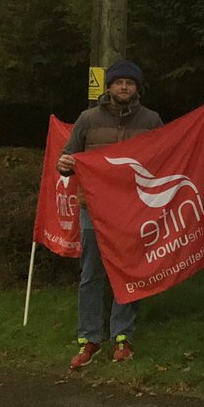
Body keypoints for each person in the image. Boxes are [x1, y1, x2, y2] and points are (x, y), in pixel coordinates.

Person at [57, 60, 163, 368]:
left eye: (130, 83)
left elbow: (166, 156)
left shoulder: (152, 120)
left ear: (137, 88)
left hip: (133, 211)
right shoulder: (88, 119)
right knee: (92, 273)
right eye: (119, 83)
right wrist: (64, 165)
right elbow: (67, 155)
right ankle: (89, 337)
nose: (124, 87)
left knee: (129, 271)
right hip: (93, 210)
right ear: (110, 87)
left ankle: (122, 336)